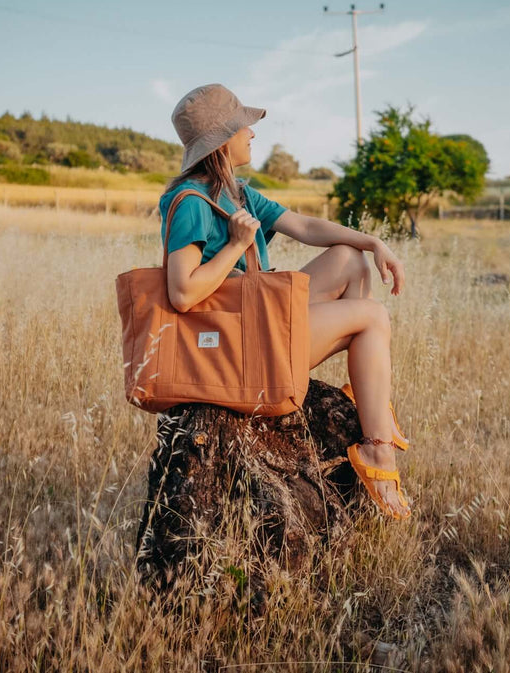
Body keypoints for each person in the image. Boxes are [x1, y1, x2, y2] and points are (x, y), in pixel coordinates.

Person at [160, 84, 410, 519]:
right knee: (372, 317)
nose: (253, 134)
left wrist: (373, 242)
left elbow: (307, 227)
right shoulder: (190, 203)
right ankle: (378, 453)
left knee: (350, 261)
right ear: (222, 142)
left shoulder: (237, 192)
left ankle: (366, 394)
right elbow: (182, 293)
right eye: (244, 128)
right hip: (238, 351)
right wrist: (237, 246)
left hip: (256, 325)